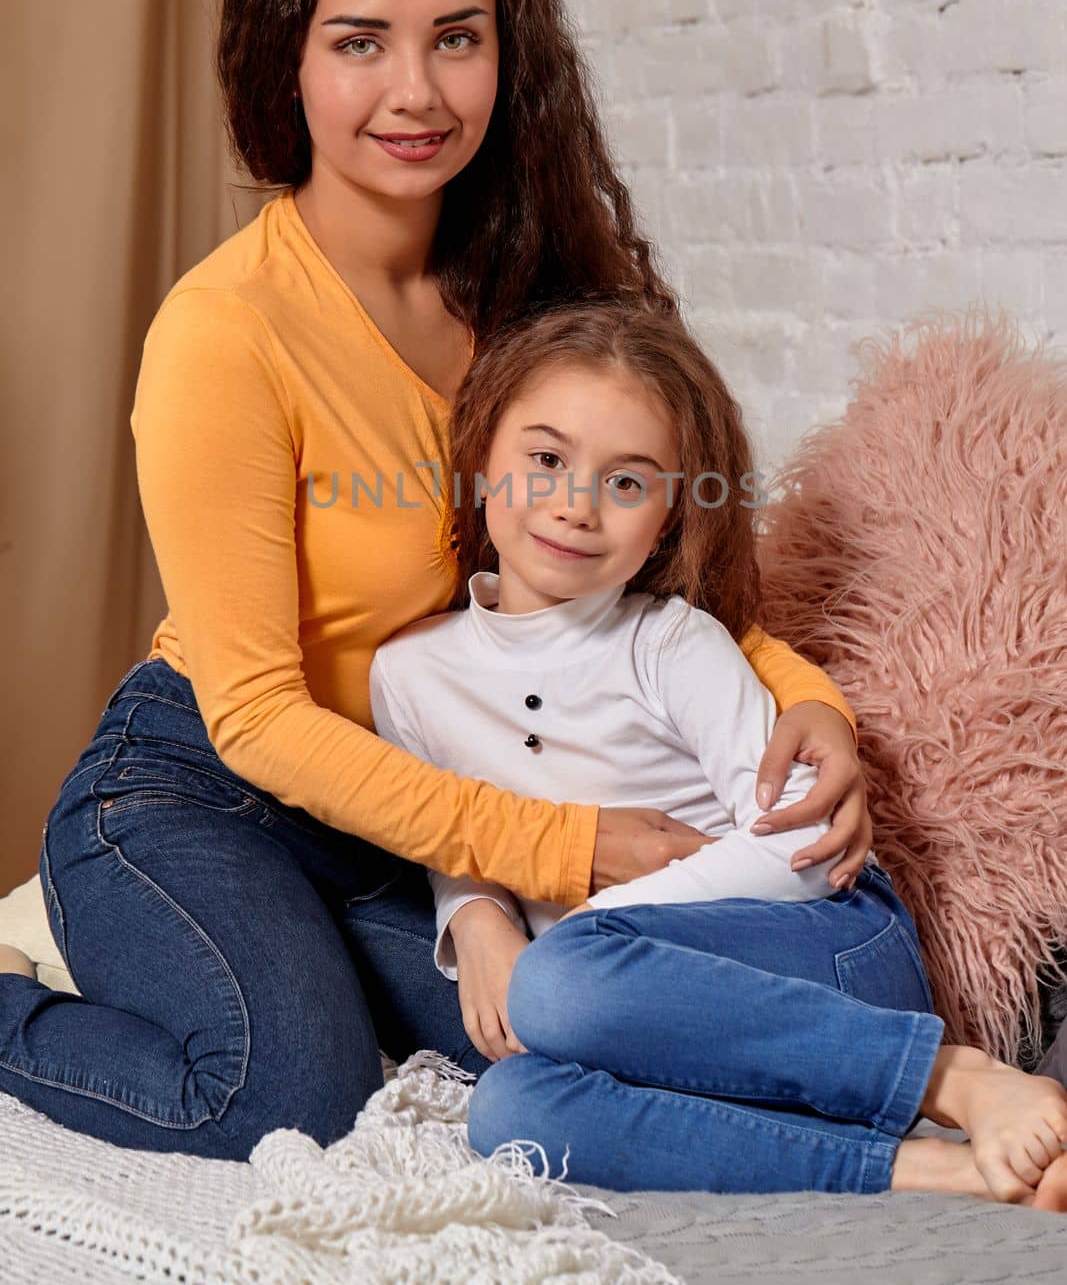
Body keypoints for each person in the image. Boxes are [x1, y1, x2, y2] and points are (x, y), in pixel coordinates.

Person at [0, 0, 871, 1161]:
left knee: (594, 1035)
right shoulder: (223, 331)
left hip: (408, 811)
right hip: (203, 787)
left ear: (503, 53)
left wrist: (807, 701)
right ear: (283, 60)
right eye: (359, 41)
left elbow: (653, 574)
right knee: (282, 1098)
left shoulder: (539, 299)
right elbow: (255, 718)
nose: (415, 89)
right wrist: (553, 848)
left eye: (454, 38)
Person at [368, 296, 1067, 1209]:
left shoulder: (668, 642)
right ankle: (932, 1168)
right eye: (545, 460)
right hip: (635, 1012)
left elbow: (795, 849)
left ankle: (949, 1079)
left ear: (666, 517)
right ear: (481, 462)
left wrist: (583, 936)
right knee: (511, 1111)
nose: (575, 506)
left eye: (627, 483)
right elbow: (448, 831)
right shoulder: (407, 673)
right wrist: (473, 917)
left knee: (565, 985)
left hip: (824, 949)